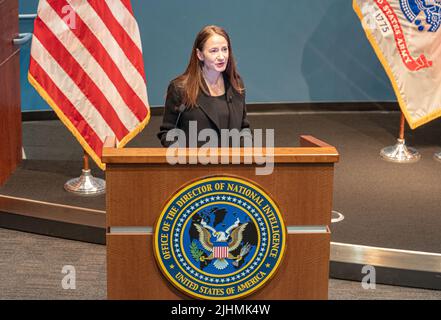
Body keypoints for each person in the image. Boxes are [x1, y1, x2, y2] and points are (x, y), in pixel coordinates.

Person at [157, 25, 251, 148]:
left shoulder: (236, 84)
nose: (221, 56)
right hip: (195, 164)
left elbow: (244, 128)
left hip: (231, 165)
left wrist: (247, 152)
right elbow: (167, 133)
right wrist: (189, 157)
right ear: (200, 54)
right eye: (214, 51)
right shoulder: (180, 88)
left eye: (224, 49)